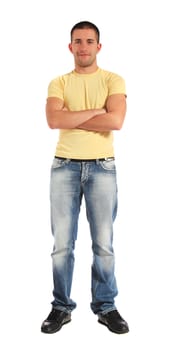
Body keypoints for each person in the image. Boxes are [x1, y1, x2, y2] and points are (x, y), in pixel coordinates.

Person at [41, 20, 129, 335]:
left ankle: (106, 307)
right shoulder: (59, 83)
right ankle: (61, 307)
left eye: (89, 41)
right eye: (78, 41)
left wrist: (74, 116)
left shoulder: (113, 80)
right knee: (62, 244)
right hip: (64, 167)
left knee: (103, 243)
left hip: (102, 168)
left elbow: (116, 120)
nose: (83, 47)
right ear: (70, 47)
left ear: (98, 46)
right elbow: (54, 119)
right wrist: (96, 112)